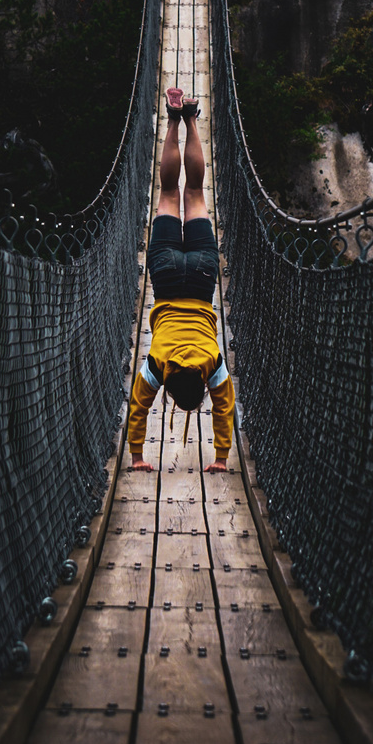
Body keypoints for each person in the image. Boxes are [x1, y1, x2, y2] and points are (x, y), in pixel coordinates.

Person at [128, 88, 235, 473]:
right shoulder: (158, 365)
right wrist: (137, 456)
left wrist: (222, 458)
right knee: (170, 191)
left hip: (204, 275)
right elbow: (138, 407)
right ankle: (173, 119)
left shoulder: (212, 362)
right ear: (171, 389)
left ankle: (190, 117)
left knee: (194, 190)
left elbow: (225, 408)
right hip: (169, 275)